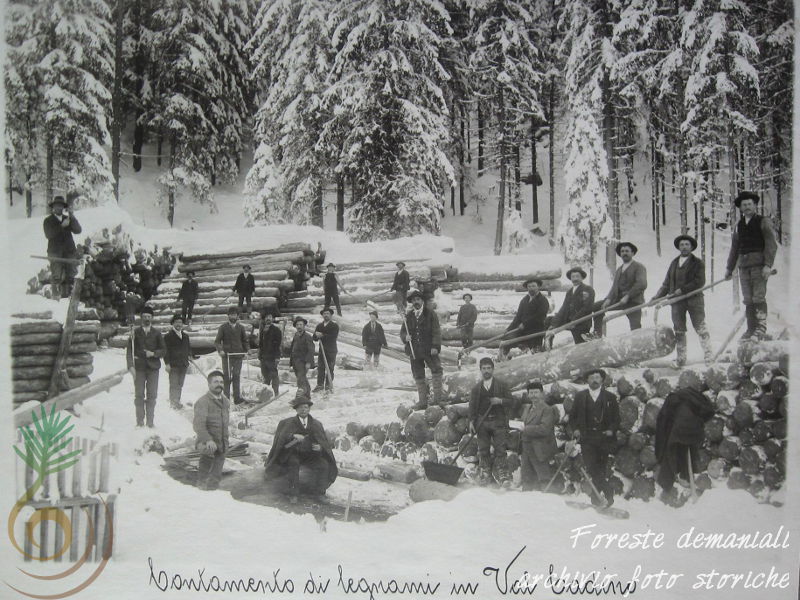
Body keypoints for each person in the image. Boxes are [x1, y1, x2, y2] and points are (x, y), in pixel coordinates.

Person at [264, 391, 338, 504]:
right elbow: (281, 439)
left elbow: (323, 442)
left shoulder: (316, 424)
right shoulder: (288, 423)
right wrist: (292, 436)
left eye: (306, 407)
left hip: (311, 455)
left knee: (324, 465)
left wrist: (320, 448)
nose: (303, 409)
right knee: (293, 464)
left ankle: (319, 493)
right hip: (294, 453)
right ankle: (293, 494)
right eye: (301, 408)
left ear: (309, 409)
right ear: (296, 409)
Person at [652, 235, 714, 366]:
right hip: (676, 302)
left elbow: (700, 281)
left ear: (691, 247)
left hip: (694, 301)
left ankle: (709, 355)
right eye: (682, 245)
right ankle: (681, 358)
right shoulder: (674, 263)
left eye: (687, 244)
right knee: (679, 330)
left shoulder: (698, 263)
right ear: (679, 247)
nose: (684, 247)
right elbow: (667, 283)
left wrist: (683, 289)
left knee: (700, 327)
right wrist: (656, 297)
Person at [724, 191, 778, 340]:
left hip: (759, 266)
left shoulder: (763, 221)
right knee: (748, 299)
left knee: (758, 297)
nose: (747, 207)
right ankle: (750, 329)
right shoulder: (738, 225)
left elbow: (771, 244)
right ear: (740, 208)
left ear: (755, 205)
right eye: (744, 205)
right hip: (743, 267)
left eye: (749, 204)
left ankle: (761, 328)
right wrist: (729, 269)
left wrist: (767, 265)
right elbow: (734, 248)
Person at [569, 368, 620, 507]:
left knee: (601, 468)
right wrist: (576, 430)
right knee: (591, 467)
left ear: (602, 380)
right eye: (591, 378)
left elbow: (617, 419)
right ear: (587, 381)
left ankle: (598, 499)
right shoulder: (581, 396)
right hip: (587, 438)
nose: (595, 380)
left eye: (597, 377)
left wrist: (611, 430)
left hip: (604, 439)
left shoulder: (610, 397)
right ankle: (608, 493)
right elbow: (572, 417)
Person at [654, 385, 715, 500]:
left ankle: (680, 477)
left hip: (683, 430)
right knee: (679, 452)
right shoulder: (689, 402)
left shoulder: (678, 403)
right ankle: (683, 478)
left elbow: (664, 424)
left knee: (673, 452)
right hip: (687, 429)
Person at [468, 357, 517, 486]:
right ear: (480, 370)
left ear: (493, 369)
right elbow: (472, 407)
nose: (486, 371)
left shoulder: (501, 385)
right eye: (484, 368)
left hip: (498, 421)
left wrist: (500, 401)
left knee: (500, 449)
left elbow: (512, 401)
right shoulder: (476, 389)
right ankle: (485, 473)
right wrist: (471, 421)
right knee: (483, 449)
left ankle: (503, 475)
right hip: (482, 423)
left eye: (489, 368)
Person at [587, 242, 647, 340]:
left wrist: (628, 296)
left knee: (635, 327)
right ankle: (597, 334)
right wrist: (608, 299)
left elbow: (642, 284)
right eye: (622, 251)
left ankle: (638, 344)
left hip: (634, 301)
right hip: (619, 300)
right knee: (598, 307)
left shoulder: (639, 267)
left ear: (632, 253)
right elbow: (614, 287)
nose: (624, 253)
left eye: (627, 251)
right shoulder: (619, 269)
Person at [400, 289, 444, 410]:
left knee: (436, 371)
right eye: (414, 300)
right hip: (414, 351)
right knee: (418, 375)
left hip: (429, 350)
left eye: (418, 299)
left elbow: (436, 331)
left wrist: (435, 346)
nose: (416, 302)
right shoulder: (408, 316)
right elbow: (403, 332)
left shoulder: (430, 314)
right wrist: (405, 337)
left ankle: (438, 399)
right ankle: (423, 402)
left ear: (422, 300)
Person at [126, 306, 166, 428]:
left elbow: (164, 350)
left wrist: (154, 354)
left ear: (152, 318)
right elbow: (129, 352)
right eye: (145, 317)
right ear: (141, 318)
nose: (147, 319)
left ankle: (150, 422)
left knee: (152, 395)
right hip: (139, 368)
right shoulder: (135, 333)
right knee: (139, 394)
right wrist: (130, 366)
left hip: (153, 368)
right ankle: (139, 421)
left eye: (149, 317)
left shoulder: (157, 333)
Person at [193, 370, 230, 491]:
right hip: (207, 443)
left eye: (221, 382)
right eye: (215, 382)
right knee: (205, 472)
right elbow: (198, 425)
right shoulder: (203, 402)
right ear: (209, 384)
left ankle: (213, 492)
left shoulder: (225, 401)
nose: (219, 384)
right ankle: (201, 488)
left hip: (222, 442)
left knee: (216, 476)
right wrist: (208, 440)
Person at [520, 381, 559, 492]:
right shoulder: (527, 408)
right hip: (526, 447)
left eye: (536, 392)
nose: (533, 395)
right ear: (528, 395)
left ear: (542, 393)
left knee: (544, 477)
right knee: (526, 477)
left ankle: (547, 501)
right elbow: (524, 422)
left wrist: (525, 429)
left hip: (541, 447)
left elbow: (544, 429)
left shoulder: (547, 409)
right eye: (531, 393)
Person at [42, 195, 82, 300]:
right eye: (57, 205)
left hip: (69, 251)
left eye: (61, 206)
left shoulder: (67, 218)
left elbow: (78, 230)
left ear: (63, 207)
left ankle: (68, 297)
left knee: (71, 275)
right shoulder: (48, 220)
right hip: (54, 252)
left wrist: (72, 216)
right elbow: (49, 234)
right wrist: (61, 226)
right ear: (53, 207)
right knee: (56, 276)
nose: (59, 208)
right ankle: (55, 298)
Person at [547, 267, 595, 345]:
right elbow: (564, 308)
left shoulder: (587, 289)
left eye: (577, 276)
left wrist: (574, 321)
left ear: (582, 277)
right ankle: (547, 345)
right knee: (548, 321)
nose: (575, 279)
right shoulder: (569, 292)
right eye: (573, 277)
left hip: (581, 321)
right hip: (569, 320)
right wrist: (554, 323)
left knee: (580, 344)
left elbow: (587, 308)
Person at [502, 278, 549, 355]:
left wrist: (525, 324)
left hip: (536, 331)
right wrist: (508, 329)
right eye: (529, 286)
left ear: (538, 287)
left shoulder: (543, 300)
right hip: (523, 331)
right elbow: (518, 316)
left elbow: (540, 316)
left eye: (533, 286)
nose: (531, 288)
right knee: (509, 342)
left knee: (534, 353)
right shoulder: (524, 300)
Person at [214, 306, 250, 404]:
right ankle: (226, 398)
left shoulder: (241, 327)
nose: (233, 316)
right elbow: (217, 341)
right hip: (227, 356)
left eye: (234, 315)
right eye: (231, 315)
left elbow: (245, 341)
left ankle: (237, 398)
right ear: (228, 316)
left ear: (237, 316)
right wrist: (220, 350)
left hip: (238, 356)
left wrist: (248, 349)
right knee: (227, 377)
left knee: (236, 376)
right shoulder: (223, 327)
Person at [164, 314, 192, 409]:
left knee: (180, 383)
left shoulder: (185, 336)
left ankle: (177, 400)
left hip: (183, 364)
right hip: (173, 364)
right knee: (174, 384)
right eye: (176, 322)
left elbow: (188, 348)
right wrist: (167, 364)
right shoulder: (168, 337)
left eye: (180, 322)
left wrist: (190, 355)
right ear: (173, 323)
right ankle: (173, 402)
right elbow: (165, 351)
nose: (179, 324)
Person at [313, 307, 339, 393]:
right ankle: (320, 385)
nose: (326, 315)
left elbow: (333, 337)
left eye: (328, 313)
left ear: (331, 315)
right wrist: (316, 335)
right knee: (320, 368)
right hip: (322, 351)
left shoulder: (334, 326)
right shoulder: (319, 326)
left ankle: (328, 385)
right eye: (324, 314)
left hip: (331, 351)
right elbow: (314, 338)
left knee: (330, 368)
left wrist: (322, 335)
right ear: (322, 315)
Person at [258, 312, 283, 398]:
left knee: (274, 375)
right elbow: (260, 344)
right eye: (266, 317)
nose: (268, 318)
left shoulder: (276, 330)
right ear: (264, 319)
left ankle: (275, 393)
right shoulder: (262, 330)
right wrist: (260, 356)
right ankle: (267, 394)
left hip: (272, 357)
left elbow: (278, 344)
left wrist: (277, 357)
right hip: (263, 357)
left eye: (270, 317)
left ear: (272, 319)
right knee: (265, 376)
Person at [289, 316, 315, 397]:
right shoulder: (296, 336)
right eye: (297, 325)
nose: (299, 326)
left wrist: (308, 362)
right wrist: (291, 362)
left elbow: (311, 350)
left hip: (303, 362)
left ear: (304, 326)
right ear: (295, 326)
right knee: (302, 379)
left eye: (301, 324)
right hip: (295, 362)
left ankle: (301, 398)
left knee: (301, 380)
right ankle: (307, 395)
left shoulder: (308, 336)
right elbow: (292, 349)